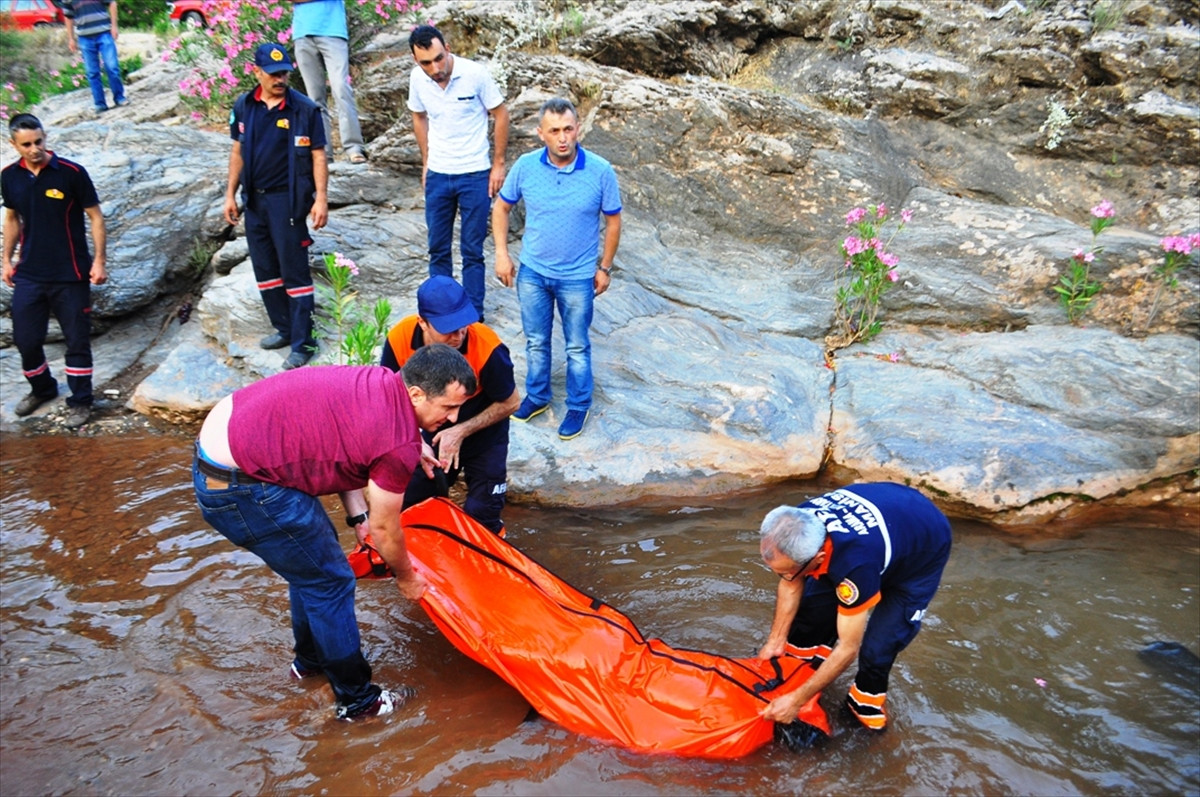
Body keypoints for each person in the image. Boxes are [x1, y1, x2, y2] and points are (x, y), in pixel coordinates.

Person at [192, 343, 477, 721]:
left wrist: (358, 518)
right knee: (331, 581)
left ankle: (310, 665)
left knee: (311, 565)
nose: (454, 418)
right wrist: (407, 578)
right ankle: (359, 703)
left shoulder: (380, 382)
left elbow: (344, 452)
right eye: (448, 408)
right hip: (239, 485)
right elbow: (386, 529)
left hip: (224, 453)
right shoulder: (397, 444)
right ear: (416, 394)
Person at [754, 482, 952, 731]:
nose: (784, 577)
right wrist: (775, 640)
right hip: (885, 519)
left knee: (879, 648)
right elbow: (791, 582)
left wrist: (796, 700)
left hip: (921, 550)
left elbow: (848, 648)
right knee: (810, 619)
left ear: (818, 558)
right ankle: (800, 671)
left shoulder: (855, 565)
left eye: (787, 571)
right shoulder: (793, 523)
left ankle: (862, 705)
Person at [493, 97, 622, 441]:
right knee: (536, 341)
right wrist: (502, 254)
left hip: (577, 277)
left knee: (577, 346)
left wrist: (605, 267)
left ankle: (578, 405)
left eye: (568, 129)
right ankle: (537, 396)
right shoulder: (526, 166)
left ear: (578, 129)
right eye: (554, 131)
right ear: (541, 133)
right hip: (533, 273)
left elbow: (613, 220)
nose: (562, 138)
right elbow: (501, 207)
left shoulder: (600, 171)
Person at [380, 275, 520, 534]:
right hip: (433, 431)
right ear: (423, 322)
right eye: (448, 328)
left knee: (482, 516)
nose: (459, 336)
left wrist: (460, 431)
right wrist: (414, 439)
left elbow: (511, 402)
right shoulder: (399, 338)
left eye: (463, 325)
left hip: (485, 432)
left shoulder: (488, 347)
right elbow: (389, 396)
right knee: (408, 502)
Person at [224, 42, 328, 370]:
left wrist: (321, 198)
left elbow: (318, 155)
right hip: (255, 200)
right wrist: (230, 194)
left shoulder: (304, 110)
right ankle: (283, 328)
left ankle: (304, 343)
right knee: (266, 269)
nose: (280, 79)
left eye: (284, 73)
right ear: (257, 72)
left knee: (295, 273)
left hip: (289, 202)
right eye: (273, 74)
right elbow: (237, 152)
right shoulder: (245, 106)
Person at [2, 113, 108, 429]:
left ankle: (81, 401)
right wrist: (6, 260)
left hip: (71, 273)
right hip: (29, 273)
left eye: (39, 141)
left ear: (45, 137)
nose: (35, 149)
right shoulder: (9, 176)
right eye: (26, 145)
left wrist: (99, 261)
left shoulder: (72, 173)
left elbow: (96, 217)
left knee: (77, 341)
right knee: (25, 339)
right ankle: (42, 388)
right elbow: (12, 218)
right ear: (14, 144)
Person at [407, 24, 509, 321]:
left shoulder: (475, 74)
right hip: (439, 174)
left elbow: (501, 113)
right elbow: (418, 116)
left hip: (475, 173)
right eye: (426, 63)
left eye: (439, 58)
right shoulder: (417, 79)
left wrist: (498, 163)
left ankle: (474, 316)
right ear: (416, 60)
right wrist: (426, 161)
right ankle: (442, 312)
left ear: (447, 48)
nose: (435, 68)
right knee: (437, 248)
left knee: (472, 249)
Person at [291, 0, 367, 164]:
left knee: (341, 89)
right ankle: (323, 152)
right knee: (314, 99)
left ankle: (353, 147)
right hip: (302, 33)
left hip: (333, 31)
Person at [61, 0, 128, 115]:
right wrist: (71, 38)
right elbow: (68, 16)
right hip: (84, 37)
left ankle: (119, 97)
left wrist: (114, 26)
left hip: (104, 32)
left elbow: (112, 3)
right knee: (92, 72)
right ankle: (100, 104)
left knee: (112, 67)